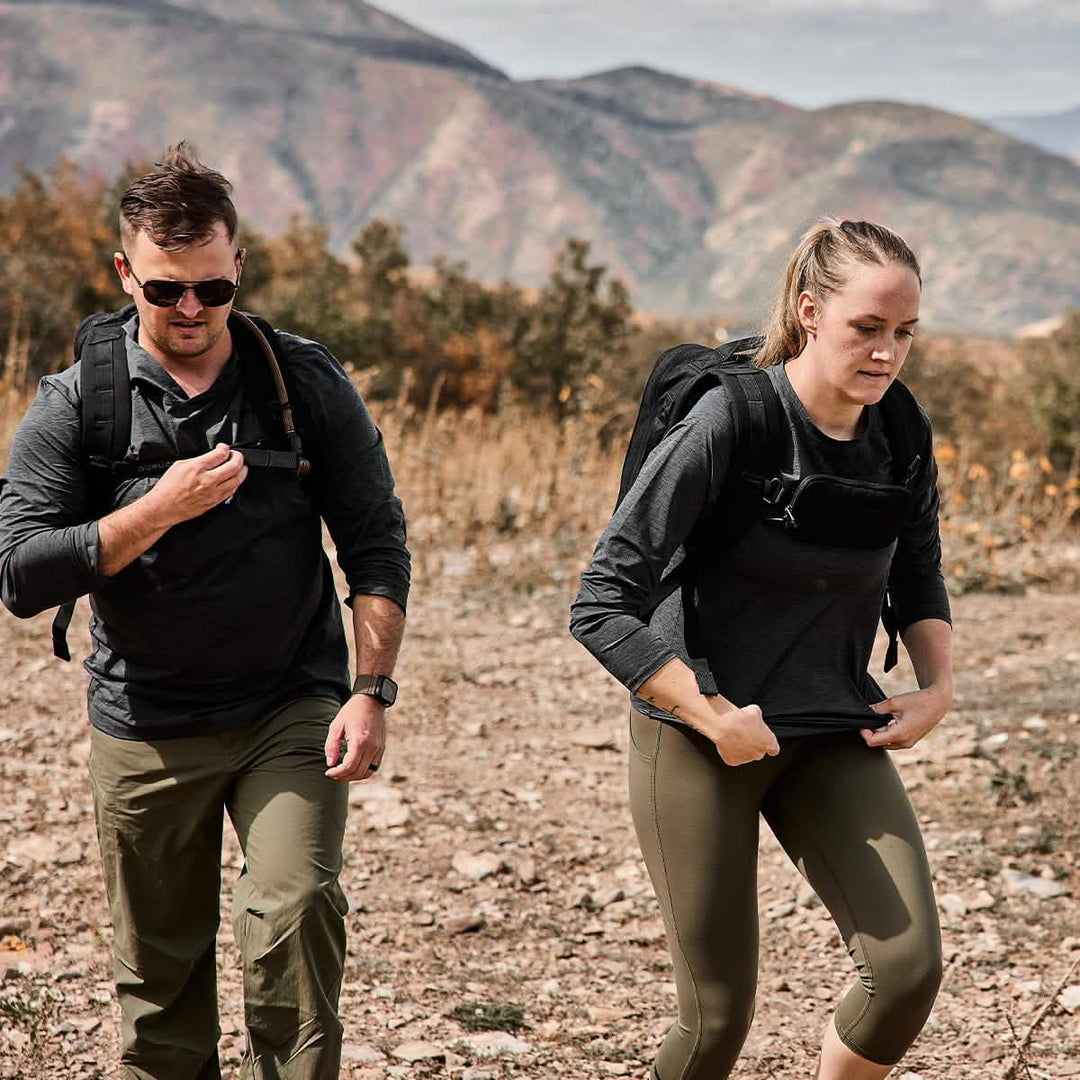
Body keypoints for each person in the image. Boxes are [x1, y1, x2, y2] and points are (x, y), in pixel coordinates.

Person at [0, 144, 410, 1080]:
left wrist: (371, 689)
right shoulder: (78, 406)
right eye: (166, 289)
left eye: (212, 290)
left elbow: (375, 539)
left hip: (288, 704)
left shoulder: (302, 384)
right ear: (124, 274)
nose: (191, 310)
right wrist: (157, 508)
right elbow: (21, 574)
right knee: (160, 985)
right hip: (145, 719)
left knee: (296, 911)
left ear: (239, 270)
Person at [570, 219, 952, 1080]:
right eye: (867, 328)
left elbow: (919, 567)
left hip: (827, 727)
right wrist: (707, 713)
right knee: (714, 1022)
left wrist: (936, 688)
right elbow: (601, 602)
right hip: (701, 737)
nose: (888, 353)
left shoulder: (900, 429)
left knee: (906, 971)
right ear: (810, 313)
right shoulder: (729, 423)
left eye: (904, 333)